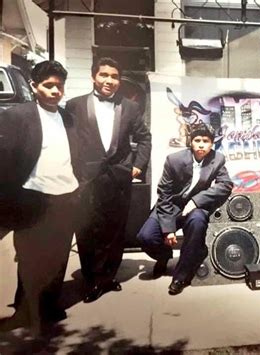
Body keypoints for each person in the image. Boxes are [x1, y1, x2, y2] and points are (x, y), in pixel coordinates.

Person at [0, 61, 81, 333]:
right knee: (30, 259)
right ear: (34, 87)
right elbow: (6, 163)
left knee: (58, 259)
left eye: (59, 86)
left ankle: (50, 307)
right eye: (48, 86)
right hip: (32, 198)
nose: (55, 91)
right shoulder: (17, 116)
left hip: (65, 198)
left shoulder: (69, 117)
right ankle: (23, 311)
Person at [66, 57, 151, 303]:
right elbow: (69, 141)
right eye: (104, 75)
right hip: (86, 178)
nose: (109, 81)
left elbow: (144, 138)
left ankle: (109, 276)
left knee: (115, 229)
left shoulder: (130, 107)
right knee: (87, 229)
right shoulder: (74, 105)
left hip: (118, 177)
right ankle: (92, 279)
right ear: (94, 76)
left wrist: (137, 166)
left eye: (114, 76)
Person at [137, 123, 233, 295]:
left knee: (197, 222)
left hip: (195, 207)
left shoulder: (217, 159)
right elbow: (164, 194)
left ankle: (181, 276)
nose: (201, 144)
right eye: (197, 140)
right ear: (191, 142)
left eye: (206, 141)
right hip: (170, 206)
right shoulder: (174, 160)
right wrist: (168, 230)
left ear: (212, 143)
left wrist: (197, 201)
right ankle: (164, 256)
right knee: (145, 237)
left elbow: (226, 185)